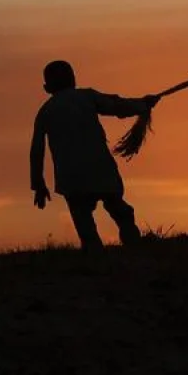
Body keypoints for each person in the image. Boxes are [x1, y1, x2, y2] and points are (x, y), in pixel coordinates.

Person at [29, 60, 159, 250]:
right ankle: (133, 242)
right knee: (118, 208)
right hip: (100, 168)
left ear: (46, 88)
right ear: (74, 79)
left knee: (83, 220)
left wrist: (38, 184)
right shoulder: (87, 97)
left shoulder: (45, 112)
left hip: (71, 176)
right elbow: (117, 106)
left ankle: (93, 252)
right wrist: (142, 104)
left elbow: (36, 150)